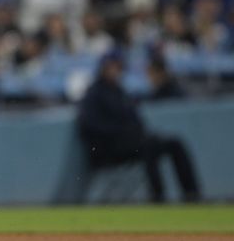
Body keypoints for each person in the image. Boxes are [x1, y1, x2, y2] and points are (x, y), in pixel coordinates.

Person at [77, 49, 201, 203]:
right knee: (148, 146)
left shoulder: (120, 91)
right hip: (108, 147)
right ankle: (158, 197)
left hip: (131, 143)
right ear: (103, 68)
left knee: (175, 143)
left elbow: (136, 120)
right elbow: (88, 124)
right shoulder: (93, 93)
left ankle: (192, 194)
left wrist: (135, 132)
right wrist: (120, 131)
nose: (115, 70)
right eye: (111, 66)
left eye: (118, 66)